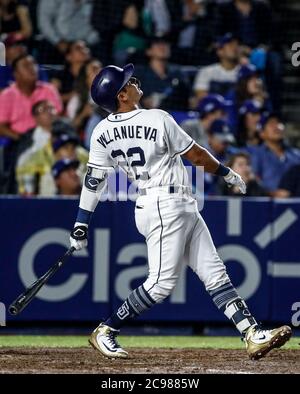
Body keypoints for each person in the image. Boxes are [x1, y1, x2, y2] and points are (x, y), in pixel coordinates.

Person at [69, 63, 291, 360]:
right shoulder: (156, 117)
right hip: (164, 205)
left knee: (215, 273)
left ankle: (252, 333)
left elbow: (94, 181)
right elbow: (196, 154)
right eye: (128, 81)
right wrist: (225, 172)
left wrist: (81, 223)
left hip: (170, 203)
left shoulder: (100, 132)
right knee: (160, 284)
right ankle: (106, 330)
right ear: (122, 95)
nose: (134, 81)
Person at [135, 38, 190, 110]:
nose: (162, 47)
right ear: (148, 51)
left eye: (165, 44)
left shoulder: (178, 73)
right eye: (157, 44)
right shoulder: (139, 72)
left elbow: (190, 99)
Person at [251, 113, 300, 195]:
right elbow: (253, 182)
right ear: (262, 133)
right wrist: (273, 194)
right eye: (271, 123)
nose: (277, 126)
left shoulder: (296, 154)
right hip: (267, 203)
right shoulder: (255, 155)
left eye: (278, 122)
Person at [193, 33, 240, 101]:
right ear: (219, 51)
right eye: (230, 45)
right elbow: (201, 96)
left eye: (237, 45)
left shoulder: (244, 72)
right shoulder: (207, 71)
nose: (235, 48)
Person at [66, 58, 102, 133]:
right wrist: (83, 114)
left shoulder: (116, 93)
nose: (100, 72)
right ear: (86, 79)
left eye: (101, 68)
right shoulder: (77, 100)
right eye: (94, 70)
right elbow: (71, 127)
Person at [52, 40, 91, 105]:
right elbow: (51, 98)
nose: (84, 50)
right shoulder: (59, 77)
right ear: (68, 57)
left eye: (85, 47)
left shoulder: (93, 72)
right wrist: (73, 95)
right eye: (78, 48)